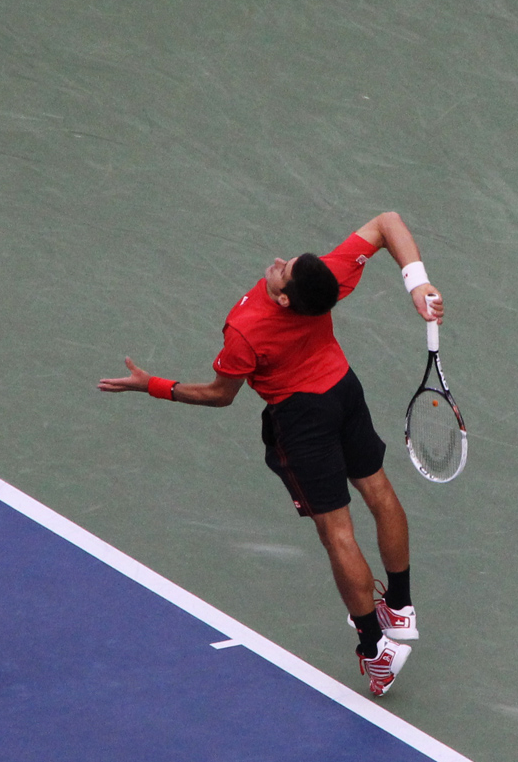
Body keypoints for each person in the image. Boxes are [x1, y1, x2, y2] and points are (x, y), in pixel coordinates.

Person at [97, 211, 444, 697]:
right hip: (344, 391)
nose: (279, 261)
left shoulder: (246, 330)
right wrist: (417, 286)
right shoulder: (326, 283)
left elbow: (221, 395)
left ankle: (375, 650)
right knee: (378, 491)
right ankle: (400, 608)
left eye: (285, 269)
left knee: (336, 533)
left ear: (284, 298)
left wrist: (150, 385)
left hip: (302, 421)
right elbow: (387, 223)